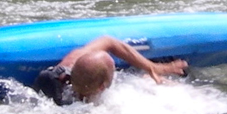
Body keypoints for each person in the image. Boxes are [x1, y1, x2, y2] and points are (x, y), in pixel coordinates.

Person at [33, 36, 188, 105]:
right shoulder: (94, 108)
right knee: (146, 82)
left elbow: (108, 42)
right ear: (102, 87)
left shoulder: (64, 69)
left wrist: (152, 67)